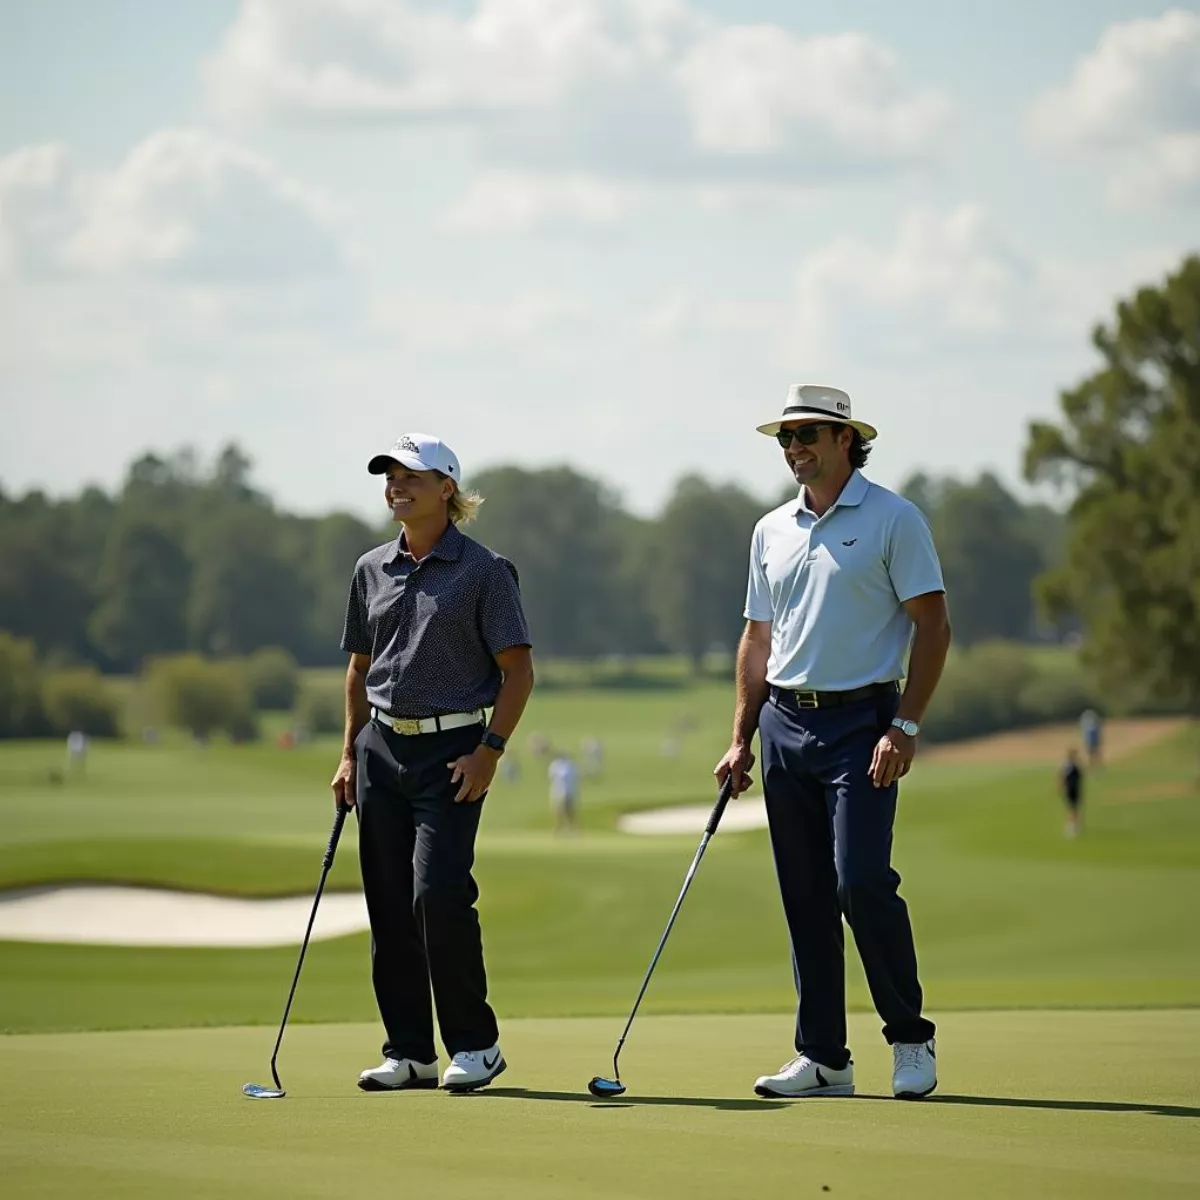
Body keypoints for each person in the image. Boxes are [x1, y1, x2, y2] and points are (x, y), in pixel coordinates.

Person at [715, 384, 952, 1102]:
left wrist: (904, 726)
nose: (794, 448)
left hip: (863, 725)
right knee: (806, 895)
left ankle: (911, 1038)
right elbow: (758, 638)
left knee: (860, 881)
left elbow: (932, 626)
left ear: (847, 438)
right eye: (786, 437)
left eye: (807, 434)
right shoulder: (771, 530)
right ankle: (823, 1057)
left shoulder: (893, 518)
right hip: (786, 724)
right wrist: (740, 738)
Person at [332, 431, 535, 1095]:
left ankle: (476, 1045)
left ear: (446, 488)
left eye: (410, 477)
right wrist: (347, 755)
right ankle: (410, 1051)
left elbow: (518, 670)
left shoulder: (483, 570)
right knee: (389, 906)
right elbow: (360, 669)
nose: (396, 486)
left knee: (438, 894)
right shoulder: (371, 569)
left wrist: (490, 751)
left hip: (453, 754)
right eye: (389, 477)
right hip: (381, 749)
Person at [547, 750, 581, 834]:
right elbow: (551, 778)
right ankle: (559, 828)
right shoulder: (555, 766)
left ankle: (572, 828)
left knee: (569, 812)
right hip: (557, 792)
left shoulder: (569, 766)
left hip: (568, 792)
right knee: (558, 811)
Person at [1060, 748, 1084, 838]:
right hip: (1074, 788)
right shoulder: (1073, 765)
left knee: (1072, 807)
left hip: (1072, 788)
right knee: (1074, 807)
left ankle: (1073, 826)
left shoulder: (1069, 765)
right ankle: (1074, 825)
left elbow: (1062, 776)